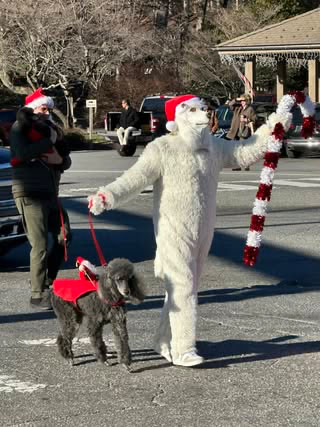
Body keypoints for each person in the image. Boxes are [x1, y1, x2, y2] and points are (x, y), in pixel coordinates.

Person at [88, 94, 292, 367]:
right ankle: (184, 348)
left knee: (183, 287)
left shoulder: (213, 146)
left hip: (203, 228)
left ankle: (163, 340)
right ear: (178, 117)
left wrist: (274, 126)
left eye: (202, 109)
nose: (201, 115)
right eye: (192, 110)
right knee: (183, 285)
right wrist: (107, 196)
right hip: (173, 228)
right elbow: (135, 178)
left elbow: (245, 151)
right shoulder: (163, 148)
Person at [10, 88, 72, 310]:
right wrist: (49, 142)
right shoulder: (20, 128)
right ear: (32, 108)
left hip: (50, 193)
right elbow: (21, 154)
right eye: (43, 108)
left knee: (64, 238)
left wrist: (58, 160)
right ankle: (38, 294)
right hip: (29, 192)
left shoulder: (52, 130)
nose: (47, 113)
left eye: (50, 109)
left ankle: (48, 282)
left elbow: (66, 160)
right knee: (40, 244)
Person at [227, 93, 256, 170]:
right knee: (236, 150)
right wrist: (237, 99)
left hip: (243, 131)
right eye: (241, 101)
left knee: (243, 149)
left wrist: (247, 120)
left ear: (247, 101)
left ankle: (246, 165)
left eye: (244, 100)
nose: (242, 102)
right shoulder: (238, 108)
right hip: (235, 131)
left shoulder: (250, 109)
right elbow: (230, 105)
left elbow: (255, 119)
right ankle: (237, 166)